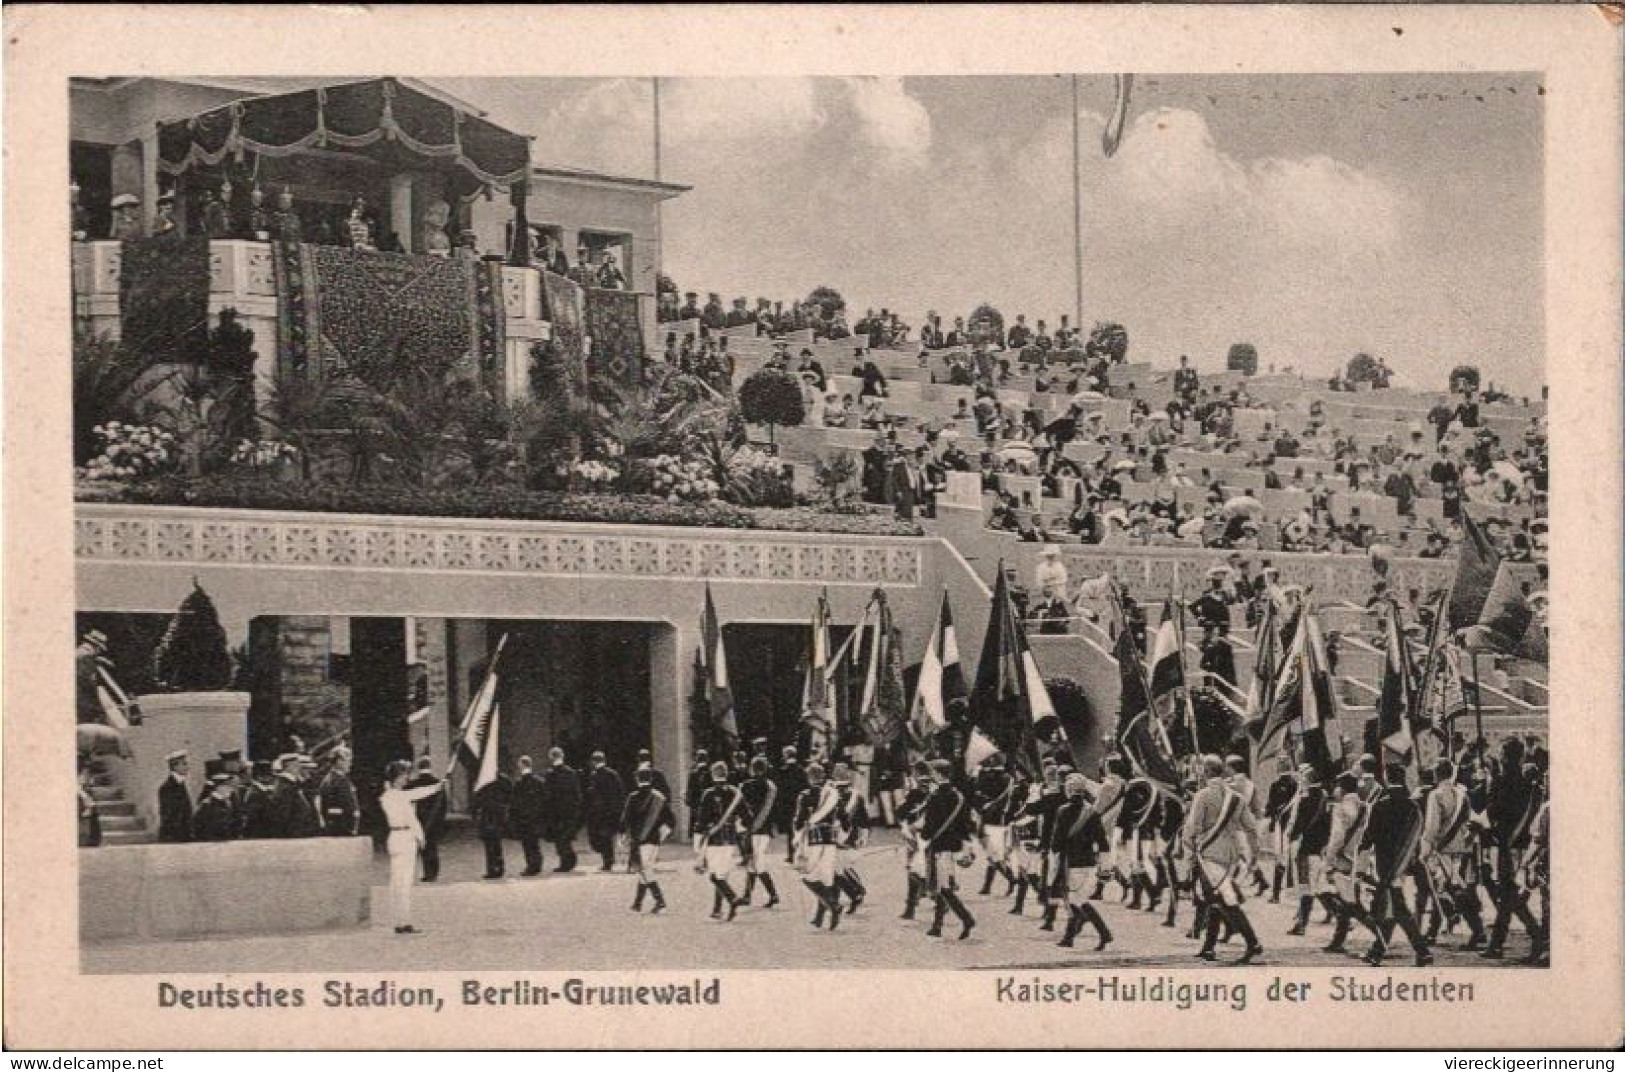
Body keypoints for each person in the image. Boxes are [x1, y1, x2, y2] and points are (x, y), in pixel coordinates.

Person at [1183, 754, 1264, 963]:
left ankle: (1253, 942)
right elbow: (1252, 828)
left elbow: (1192, 828)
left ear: (1207, 772)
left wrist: (1189, 851)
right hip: (1231, 855)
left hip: (1209, 854)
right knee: (1215, 899)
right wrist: (1254, 854)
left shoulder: (1202, 795)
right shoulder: (1237, 797)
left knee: (1223, 900)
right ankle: (1209, 947)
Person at [1357, 764, 1434, 966]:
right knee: (1392, 908)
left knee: (1396, 909)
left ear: (1386, 778)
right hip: (1407, 865)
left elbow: (1368, 838)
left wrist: (1360, 856)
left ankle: (1420, 950)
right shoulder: (1413, 807)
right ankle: (1378, 951)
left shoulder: (1380, 805)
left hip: (1386, 866)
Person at [378, 759, 445, 934]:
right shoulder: (397, 796)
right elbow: (412, 812)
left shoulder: (390, 795)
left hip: (396, 837)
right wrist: (420, 836)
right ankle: (403, 921)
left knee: (398, 881)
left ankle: (400, 919)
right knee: (403, 881)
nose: (406, 778)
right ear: (397, 777)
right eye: (404, 775)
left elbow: (417, 793)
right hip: (404, 838)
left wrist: (437, 787)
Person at [1054, 774, 1114, 950]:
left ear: (1068, 790)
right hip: (1090, 862)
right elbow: (1103, 842)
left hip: (1071, 862)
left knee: (1076, 901)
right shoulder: (1092, 813)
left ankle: (1104, 933)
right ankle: (1069, 938)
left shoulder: (1063, 811)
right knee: (1076, 900)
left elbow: (1056, 842)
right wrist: (1105, 867)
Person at [920, 759, 976, 940]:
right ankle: (937, 926)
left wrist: (924, 835)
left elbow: (928, 827)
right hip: (953, 847)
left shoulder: (935, 797)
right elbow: (965, 824)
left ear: (937, 774)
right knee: (941, 886)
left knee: (943, 888)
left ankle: (967, 919)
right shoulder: (958, 796)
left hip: (940, 847)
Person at [792, 762, 845, 930]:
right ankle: (820, 917)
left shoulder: (805, 795)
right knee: (825, 878)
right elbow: (844, 816)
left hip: (813, 839)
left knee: (808, 877)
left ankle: (833, 905)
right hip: (831, 839)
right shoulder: (833, 793)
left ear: (809, 778)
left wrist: (798, 836)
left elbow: (800, 820)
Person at [694, 761, 747, 922]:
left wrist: (699, 835)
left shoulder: (708, 794)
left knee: (715, 876)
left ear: (712, 775)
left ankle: (732, 898)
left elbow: (702, 819)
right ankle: (718, 909)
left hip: (714, 838)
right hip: (730, 838)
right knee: (722, 874)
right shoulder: (735, 793)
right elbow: (746, 815)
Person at [621, 766, 675, 913]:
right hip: (654, 841)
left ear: (637, 779)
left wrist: (624, 837)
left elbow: (625, 820)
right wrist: (661, 835)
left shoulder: (632, 797)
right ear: (651, 779)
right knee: (645, 870)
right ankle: (637, 903)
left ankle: (660, 901)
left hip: (639, 841)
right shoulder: (660, 798)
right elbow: (671, 821)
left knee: (645, 870)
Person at [972, 752, 1018, 897]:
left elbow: (1002, 800)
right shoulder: (994, 777)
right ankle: (988, 886)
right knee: (992, 855)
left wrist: (985, 803)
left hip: (996, 820)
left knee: (995, 855)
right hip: (990, 818)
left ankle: (1012, 879)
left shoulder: (1002, 778)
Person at [738, 756, 781, 908]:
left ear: (752, 768)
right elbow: (774, 810)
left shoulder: (745, 786)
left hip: (750, 828)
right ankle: (747, 895)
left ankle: (772, 894)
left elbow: (740, 808)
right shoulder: (771, 787)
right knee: (754, 861)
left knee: (757, 862)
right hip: (765, 829)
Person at [830, 762, 871, 912]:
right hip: (848, 836)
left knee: (838, 868)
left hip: (841, 836)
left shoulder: (831, 794)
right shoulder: (856, 795)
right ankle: (853, 892)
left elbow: (863, 820)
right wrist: (863, 837)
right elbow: (865, 821)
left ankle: (856, 891)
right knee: (841, 867)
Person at [541, 747, 583, 873]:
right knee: (565, 837)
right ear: (562, 756)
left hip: (556, 811)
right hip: (569, 810)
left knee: (559, 838)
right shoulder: (571, 772)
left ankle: (566, 862)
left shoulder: (550, 774)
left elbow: (547, 794)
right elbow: (577, 793)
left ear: (551, 757)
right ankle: (569, 861)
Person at [406, 756, 447, 882]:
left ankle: (427, 872)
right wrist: (441, 819)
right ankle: (433, 872)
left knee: (424, 846)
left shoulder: (415, 783)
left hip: (421, 818)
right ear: (430, 767)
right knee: (433, 845)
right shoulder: (437, 782)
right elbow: (444, 803)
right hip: (434, 819)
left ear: (419, 768)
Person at [583, 751, 625, 872]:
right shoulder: (613, 774)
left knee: (601, 838)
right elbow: (620, 793)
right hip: (610, 811)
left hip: (599, 813)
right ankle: (608, 860)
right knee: (606, 837)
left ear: (594, 761)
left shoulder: (595, 775)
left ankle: (608, 862)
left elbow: (592, 794)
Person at [473, 763, 514, 880]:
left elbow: (477, 798)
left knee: (490, 843)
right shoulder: (504, 780)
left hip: (489, 815)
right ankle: (498, 867)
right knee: (495, 843)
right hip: (497, 816)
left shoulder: (483, 781)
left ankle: (492, 868)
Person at [510, 756, 548, 876]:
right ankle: (537, 865)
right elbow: (545, 799)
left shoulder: (519, 783)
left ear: (522, 765)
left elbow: (515, 803)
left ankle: (531, 867)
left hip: (524, 819)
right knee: (534, 843)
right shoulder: (539, 781)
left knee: (527, 844)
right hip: (536, 818)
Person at [268, 754, 321, 838]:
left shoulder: (291, 784)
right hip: (293, 833)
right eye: (296, 765)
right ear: (288, 766)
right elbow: (284, 813)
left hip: (300, 832)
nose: (299, 768)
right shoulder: (285, 786)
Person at [315, 748, 359, 837]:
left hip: (345, 826)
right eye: (348, 761)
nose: (350, 764)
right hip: (340, 828)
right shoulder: (333, 780)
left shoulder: (341, 779)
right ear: (339, 761)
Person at [157, 750, 193, 843]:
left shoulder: (180, 784)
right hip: (174, 837)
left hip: (182, 836)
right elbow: (169, 816)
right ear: (175, 766)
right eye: (184, 764)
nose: (188, 767)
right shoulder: (168, 788)